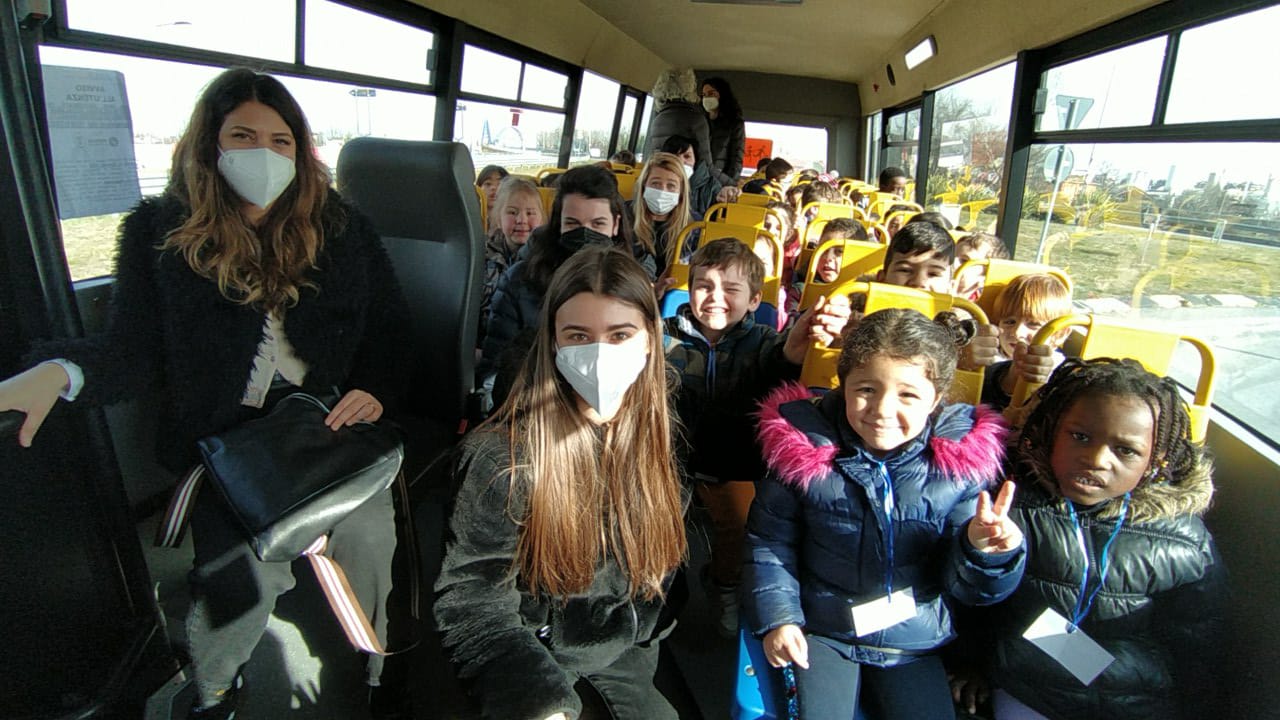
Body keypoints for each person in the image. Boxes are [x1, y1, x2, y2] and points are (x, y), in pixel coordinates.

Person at [0, 68, 411, 719]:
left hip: (324, 421)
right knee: (234, 574)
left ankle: (381, 672)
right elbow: (130, 354)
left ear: (300, 151)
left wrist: (374, 390)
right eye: (243, 136)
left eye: (281, 140)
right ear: (211, 147)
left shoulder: (340, 230)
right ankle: (216, 689)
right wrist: (59, 373)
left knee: (369, 537)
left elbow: (390, 335)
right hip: (232, 438)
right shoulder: (162, 235)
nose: (264, 153)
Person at [436, 245, 689, 720]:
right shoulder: (503, 459)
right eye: (578, 336)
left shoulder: (654, 436)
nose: (599, 354)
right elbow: (473, 600)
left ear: (651, 340)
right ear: (552, 343)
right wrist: (540, 702)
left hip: (625, 653)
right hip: (534, 657)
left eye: (620, 334)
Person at [745, 308, 1026, 719]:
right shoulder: (803, 451)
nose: (882, 409)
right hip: (825, 628)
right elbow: (770, 543)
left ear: (937, 398)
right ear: (842, 385)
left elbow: (970, 589)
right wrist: (780, 619)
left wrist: (983, 552)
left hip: (910, 638)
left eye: (908, 394)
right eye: (866, 390)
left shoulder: (957, 466)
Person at [954, 358, 1224, 720]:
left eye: (1125, 450)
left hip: (1132, 700)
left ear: (1155, 460)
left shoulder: (1183, 542)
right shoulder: (1013, 506)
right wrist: (970, 664)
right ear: (1052, 431)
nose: (1096, 459)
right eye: (1080, 437)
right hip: (1030, 688)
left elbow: (1197, 641)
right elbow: (974, 605)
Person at [665, 239, 849, 638]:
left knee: (738, 531)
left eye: (731, 290)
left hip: (734, 461)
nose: (715, 298)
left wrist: (796, 348)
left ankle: (724, 584)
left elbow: (779, 360)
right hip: (671, 459)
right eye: (703, 286)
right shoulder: (663, 338)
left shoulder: (763, 342)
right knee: (662, 532)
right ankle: (663, 591)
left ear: (754, 300)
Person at [480, 165, 652, 410]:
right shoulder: (520, 282)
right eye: (573, 224)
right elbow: (493, 371)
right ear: (558, 225)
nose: (585, 235)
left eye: (597, 224)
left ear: (615, 225)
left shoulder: (634, 288)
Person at [981, 273, 1073, 411]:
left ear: (1060, 334)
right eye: (1009, 322)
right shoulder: (987, 362)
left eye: (1034, 324)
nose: (1017, 333)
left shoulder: (1063, 374)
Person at [481, 176, 545, 344]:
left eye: (530, 213)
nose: (521, 220)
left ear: (542, 220)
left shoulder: (545, 261)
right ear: (498, 219)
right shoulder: (481, 256)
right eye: (512, 212)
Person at [631, 151, 698, 276]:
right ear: (644, 185)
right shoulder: (626, 215)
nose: (662, 191)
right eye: (655, 183)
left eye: (671, 186)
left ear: (681, 191)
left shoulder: (693, 226)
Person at [644, 68, 712, 175]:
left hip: (663, 176)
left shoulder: (657, 120)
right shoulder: (696, 119)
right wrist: (730, 183)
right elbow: (706, 165)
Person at [659, 134, 740, 216]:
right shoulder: (655, 182)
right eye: (675, 157)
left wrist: (726, 196)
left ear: (695, 160)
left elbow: (718, 203)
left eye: (687, 156)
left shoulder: (710, 186)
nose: (681, 161)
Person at [700, 76, 746, 187]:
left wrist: (729, 183)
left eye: (711, 94)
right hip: (699, 176)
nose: (707, 98)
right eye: (704, 95)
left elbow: (736, 157)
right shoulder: (700, 120)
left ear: (722, 94)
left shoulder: (734, 123)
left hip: (720, 180)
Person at [952, 232, 1011, 301]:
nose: (952, 264)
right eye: (950, 258)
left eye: (964, 261)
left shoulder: (977, 307)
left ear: (984, 277)